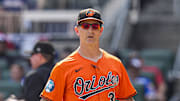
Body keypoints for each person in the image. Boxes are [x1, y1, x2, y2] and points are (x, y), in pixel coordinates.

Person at [40, 8, 136, 101]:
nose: (90, 31)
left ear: (101, 30)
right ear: (77, 30)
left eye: (95, 26)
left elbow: (127, 98)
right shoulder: (63, 67)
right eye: (85, 26)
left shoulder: (116, 64)